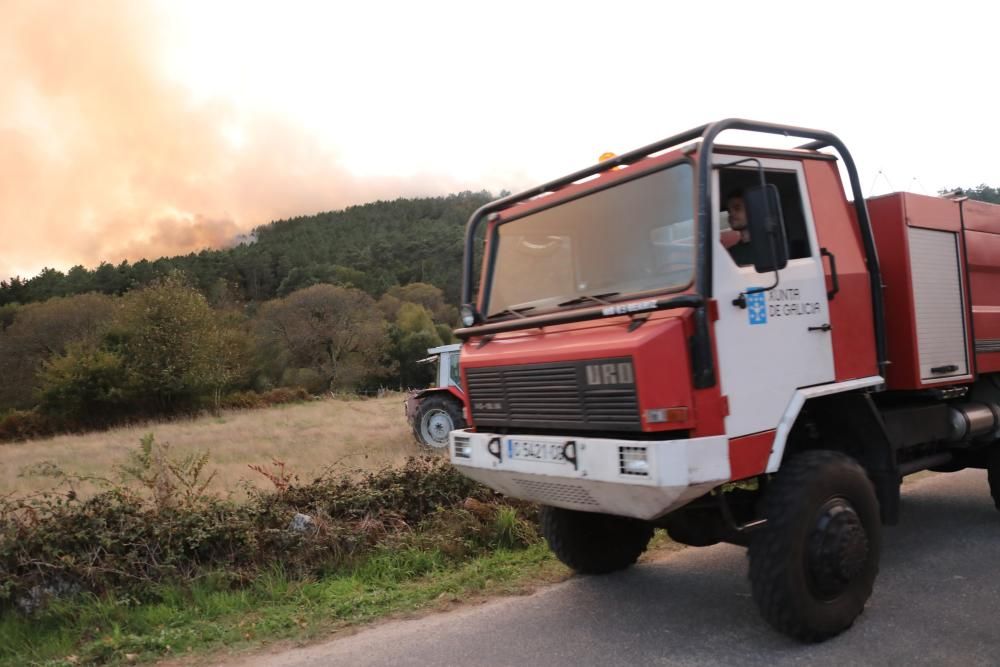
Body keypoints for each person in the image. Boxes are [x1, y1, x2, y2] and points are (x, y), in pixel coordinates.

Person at [722, 188, 754, 266]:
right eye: (729, 211)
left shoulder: (769, 246)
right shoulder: (729, 253)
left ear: (752, 210)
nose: (731, 214)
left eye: (737, 208)